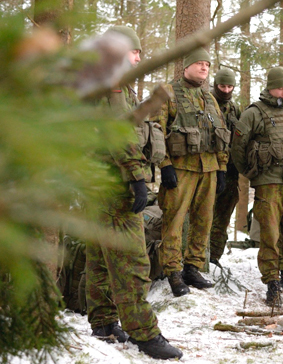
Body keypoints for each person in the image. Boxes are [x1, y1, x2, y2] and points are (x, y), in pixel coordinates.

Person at [85, 26, 182, 360]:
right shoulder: (111, 83)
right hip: (115, 185)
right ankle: (145, 333)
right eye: (134, 51)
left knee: (100, 257)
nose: (139, 57)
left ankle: (103, 323)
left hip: (96, 184)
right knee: (132, 261)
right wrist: (137, 176)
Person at [231, 66, 283, 305]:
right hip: (268, 183)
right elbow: (238, 147)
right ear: (270, 86)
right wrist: (249, 172)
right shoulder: (254, 113)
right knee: (270, 235)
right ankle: (272, 283)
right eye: (281, 87)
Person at [153, 48, 230, 296]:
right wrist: (164, 165)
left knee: (203, 221)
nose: (204, 68)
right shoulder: (168, 94)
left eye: (207, 64)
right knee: (174, 222)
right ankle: (173, 272)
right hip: (180, 168)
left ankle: (192, 267)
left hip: (208, 168)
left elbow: (220, 135)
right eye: (199, 63)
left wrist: (221, 168)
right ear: (185, 66)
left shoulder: (210, 99)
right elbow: (156, 131)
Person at [209, 68, 241, 267]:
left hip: (230, 172)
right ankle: (196, 258)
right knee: (204, 216)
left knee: (223, 217)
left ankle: (214, 257)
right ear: (215, 85)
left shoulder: (235, 109)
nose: (226, 90)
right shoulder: (207, 104)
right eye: (222, 86)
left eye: (230, 86)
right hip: (209, 168)